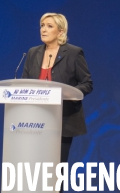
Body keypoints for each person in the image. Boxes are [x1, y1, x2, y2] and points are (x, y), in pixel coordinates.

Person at [22, 12, 93, 163]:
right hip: (34, 122)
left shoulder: (74, 53)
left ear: (60, 31)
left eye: (49, 26)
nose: (43, 30)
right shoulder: (33, 53)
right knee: (35, 168)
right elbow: (24, 84)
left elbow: (87, 84)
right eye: (42, 26)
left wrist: (69, 94)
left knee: (55, 169)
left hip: (62, 120)